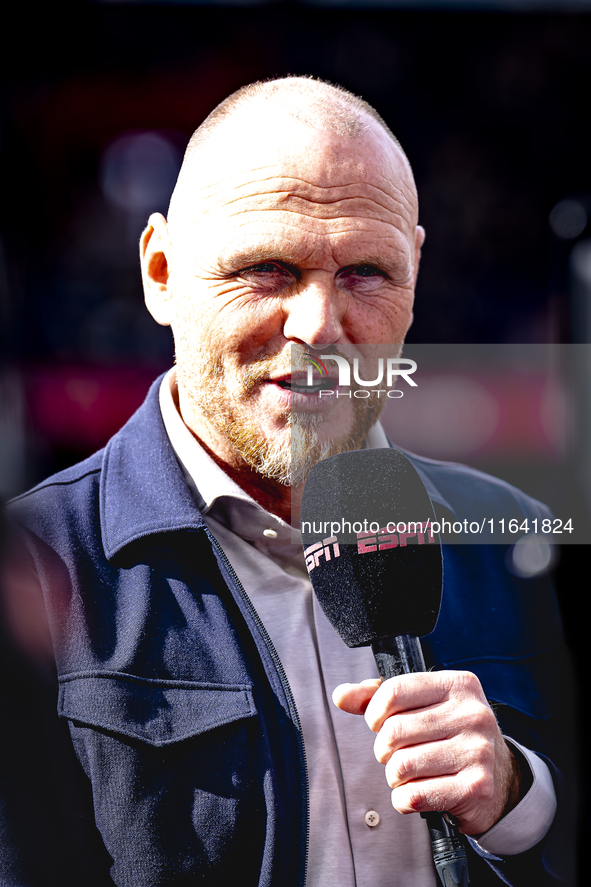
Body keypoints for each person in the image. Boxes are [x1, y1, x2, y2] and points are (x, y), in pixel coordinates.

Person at [2, 77, 575, 887]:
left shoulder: (516, 534)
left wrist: (523, 799)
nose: (317, 326)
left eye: (366, 272)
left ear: (415, 269)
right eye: (269, 268)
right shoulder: (30, 567)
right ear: (161, 272)